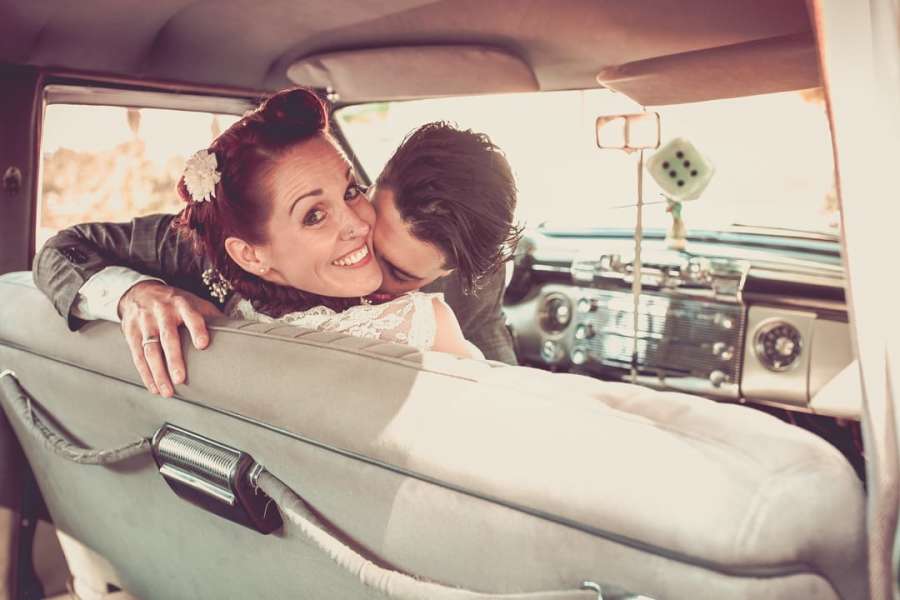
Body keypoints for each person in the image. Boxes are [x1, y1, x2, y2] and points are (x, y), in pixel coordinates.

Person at [34, 87, 521, 397]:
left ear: (448, 274)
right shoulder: (203, 247)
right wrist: (135, 294)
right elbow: (60, 251)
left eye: (399, 274)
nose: (360, 239)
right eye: (358, 198)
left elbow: (501, 385)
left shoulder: (460, 302)